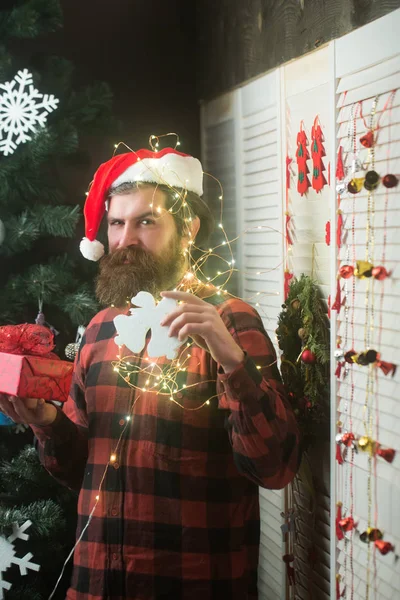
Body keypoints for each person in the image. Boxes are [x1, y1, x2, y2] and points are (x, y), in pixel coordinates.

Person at [0, 146, 301, 600]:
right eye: (117, 223)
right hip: (96, 585)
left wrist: (230, 358)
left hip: (191, 586)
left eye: (146, 221)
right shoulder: (101, 330)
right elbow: (81, 468)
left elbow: (275, 467)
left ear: (188, 229)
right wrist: (46, 424)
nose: (126, 240)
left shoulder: (231, 321)